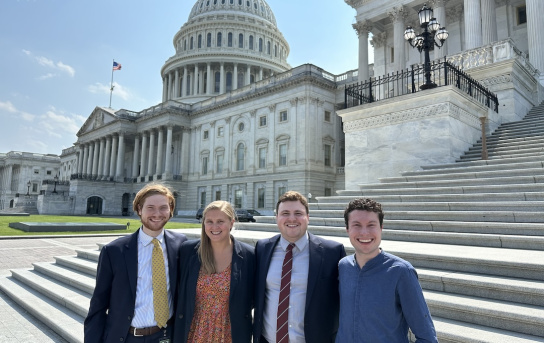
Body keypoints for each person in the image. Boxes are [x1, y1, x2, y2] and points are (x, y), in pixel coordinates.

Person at [84, 183, 187, 343]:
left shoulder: (180, 245)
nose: (157, 213)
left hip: (166, 336)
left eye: (163, 207)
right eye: (150, 207)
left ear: (170, 210)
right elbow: (98, 304)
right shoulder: (114, 251)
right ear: (139, 209)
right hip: (127, 337)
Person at [336, 198, 438, 343]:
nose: (364, 232)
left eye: (371, 225)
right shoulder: (343, 266)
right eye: (356, 225)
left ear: (381, 227)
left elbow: (427, 337)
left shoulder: (401, 272)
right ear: (347, 229)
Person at [253, 191, 346, 343]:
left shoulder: (332, 252)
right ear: (276, 218)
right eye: (285, 213)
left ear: (307, 217)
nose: (291, 218)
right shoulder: (263, 248)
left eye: (298, 213)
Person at [173, 200, 255, 343]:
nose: (214, 226)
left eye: (220, 221)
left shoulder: (249, 256)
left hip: (229, 334)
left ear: (232, 223)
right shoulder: (188, 251)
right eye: (209, 221)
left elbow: (254, 297)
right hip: (194, 332)